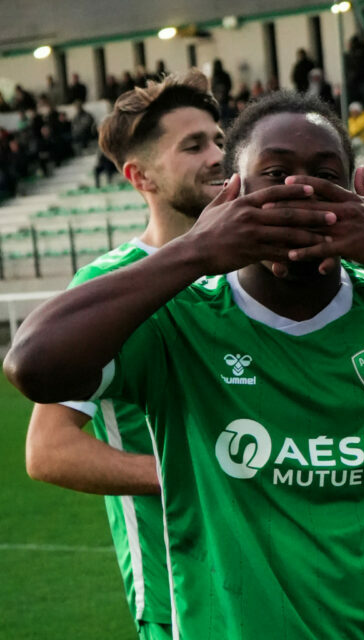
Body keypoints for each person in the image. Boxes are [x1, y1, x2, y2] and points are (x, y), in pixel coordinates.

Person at [5, 90, 364, 639]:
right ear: (228, 193)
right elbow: (34, 364)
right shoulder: (179, 317)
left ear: (359, 192)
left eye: (327, 177)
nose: (302, 191)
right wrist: (197, 251)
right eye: (276, 173)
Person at [24, 70, 225, 640]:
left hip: (285, 574)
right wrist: (198, 475)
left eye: (217, 139)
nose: (217, 155)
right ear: (141, 176)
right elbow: (48, 450)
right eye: (193, 146)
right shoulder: (108, 289)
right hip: (181, 590)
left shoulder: (254, 271)